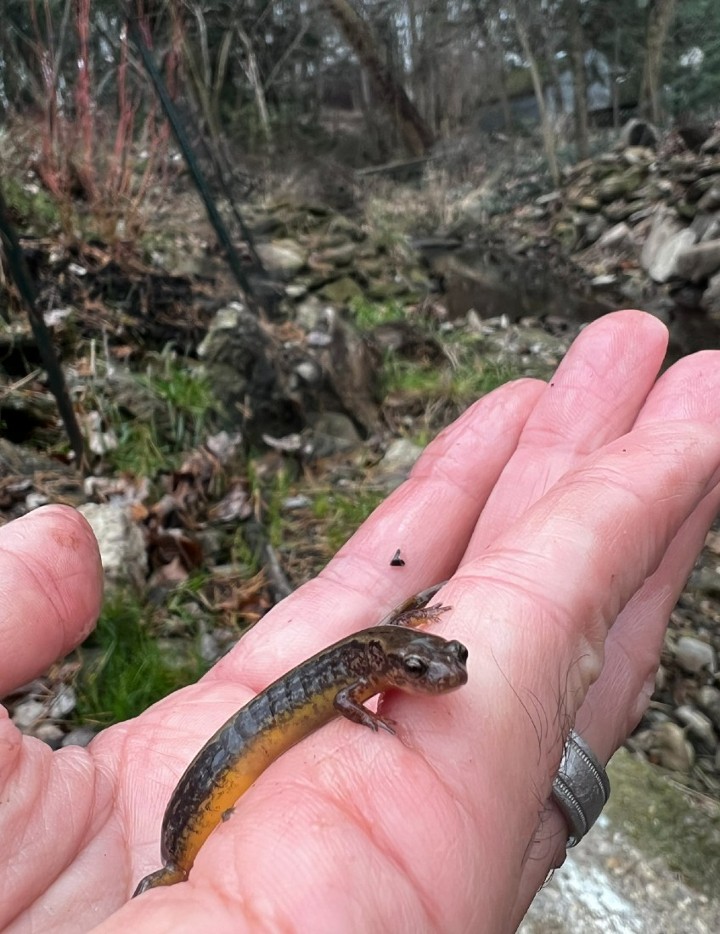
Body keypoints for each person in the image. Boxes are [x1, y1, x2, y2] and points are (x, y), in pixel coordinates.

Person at [2, 309, 719, 933]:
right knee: (170, 866)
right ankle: (163, 884)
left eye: (450, 658)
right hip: (189, 819)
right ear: (383, 666)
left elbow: (393, 643)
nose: (444, 677)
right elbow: (348, 693)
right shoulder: (353, 677)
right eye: (420, 668)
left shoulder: (380, 657)